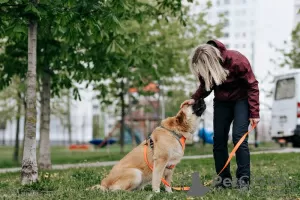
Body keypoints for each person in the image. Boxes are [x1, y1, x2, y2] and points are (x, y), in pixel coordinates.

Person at [181, 40, 260, 190]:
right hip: (222, 103)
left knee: (239, 138)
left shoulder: (237, 60)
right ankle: (223, 181)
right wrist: (194, 98)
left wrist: (254, 112)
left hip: (241, 101)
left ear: (212, 61)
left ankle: (243, 181)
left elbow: (252, 85)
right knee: (219, 140)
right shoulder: (207, 67)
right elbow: (206, 86)